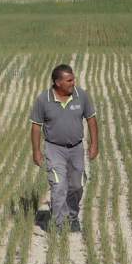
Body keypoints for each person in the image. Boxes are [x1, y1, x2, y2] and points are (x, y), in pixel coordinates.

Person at [30, 64, 98, 232]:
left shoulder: (81, 96)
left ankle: (72, 217)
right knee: (59, 185)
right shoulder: (43, 100)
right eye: (69, 80)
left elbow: (91, 119)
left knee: (77, 185)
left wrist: (94, 144)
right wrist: (36, 151)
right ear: (57, 82)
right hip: (54, 149)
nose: (73, 82)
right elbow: (36, 127)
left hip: (76, 148)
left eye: (73, 79)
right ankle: (59, 224)